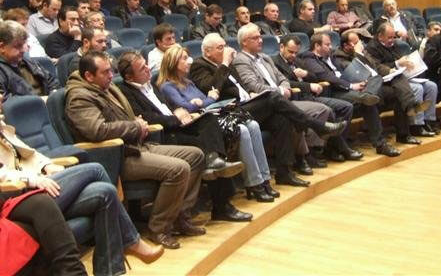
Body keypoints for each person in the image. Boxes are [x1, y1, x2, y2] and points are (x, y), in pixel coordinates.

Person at [0, 102, 164, 275]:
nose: (2, 97)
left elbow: (30, 153)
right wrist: (31, 179)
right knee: (96, 169)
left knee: (105, 193)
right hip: (20, 192)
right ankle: (131, 241)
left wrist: (46, 165)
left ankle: (109, 271)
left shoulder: (3, 127)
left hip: (39, 180)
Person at [65, 51, 206, 249]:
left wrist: (136, 123)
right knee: (178, 169)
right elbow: (97, 130)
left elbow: (121, 120)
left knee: (196, 155)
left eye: (110, 71)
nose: (111, 76)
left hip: (137, 145)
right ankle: (159, 228)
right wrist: (135, 126)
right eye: (105, 72)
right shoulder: (79, 98)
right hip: (117, 157)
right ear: (89, 76)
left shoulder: (106, 88)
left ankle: (179, 216)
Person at [117, 50, 254, 217]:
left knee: (209, 119)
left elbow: (167, 106)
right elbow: (146, 117)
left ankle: (214, 160)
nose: (147, 68)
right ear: (129, 76)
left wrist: (179, 111)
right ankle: (222, 204)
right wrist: (176, 118)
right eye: (142, 68)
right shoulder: (125, 91)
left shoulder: (151, 84)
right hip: (163, 134)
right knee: (204, 145)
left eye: (146, 64)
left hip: (178, 125)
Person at [231, 23, 348, 185]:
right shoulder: (240, 61)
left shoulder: (265, 57)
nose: (261, 40)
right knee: (275, 98)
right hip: (260, 106)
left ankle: (284, 173)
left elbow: (283, 79)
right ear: (244, 42)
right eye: (255, 38)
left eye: (260, 36)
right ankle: (316, 129)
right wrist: (281, 91)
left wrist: (284, 89)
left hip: (279, 103)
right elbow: (255, 87)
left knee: (285, 119)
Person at [158, 41, 274, 202]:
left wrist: (203, 101)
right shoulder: (167, 86)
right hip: (201, 126)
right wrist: (206, 100)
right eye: (184, 58)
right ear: (173, 63)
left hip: (212, 117)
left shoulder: (189, 83)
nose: (189, 61)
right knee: (242, 130)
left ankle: (265, 179)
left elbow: (207, 100)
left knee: (253, 125)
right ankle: (254, 184)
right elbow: (192, 105)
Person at [189, 33, 303, 189]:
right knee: (272, 97)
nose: (226, 50)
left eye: (225, 46)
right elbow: (211, 88)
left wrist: (251, 93)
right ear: (208, 52)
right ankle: (308, 122)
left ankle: (284, 173)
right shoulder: (199, 65)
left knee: (281, 119)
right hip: (231, 111)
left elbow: (241, 85)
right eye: (220, 47)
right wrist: (224, 63)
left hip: (247, 104)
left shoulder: (228, 64)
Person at [298, 32, 403, 156]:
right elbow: (326, 77)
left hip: (347, 85)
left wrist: (358, 80)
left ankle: (368, 94)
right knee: (367, 103)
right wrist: (351, 85)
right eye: (327, 44)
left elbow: (348, 69)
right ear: (317, 46)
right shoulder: (309, 59)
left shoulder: (331, 56)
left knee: (376, 78)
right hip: (333, 91)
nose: (331, 47)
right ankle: (379, 143)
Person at [273, 34, 361, 162]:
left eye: (296, 52)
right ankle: (339, 149)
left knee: (346, 107)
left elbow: (315, 77)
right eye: (290, 52)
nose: (293, 55)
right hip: (295, 99)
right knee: (328, 111)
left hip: (310, 97)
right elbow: (285, 84)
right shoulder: (275, 62)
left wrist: (305, 74)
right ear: (282, 47)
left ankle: (335, 148)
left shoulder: (297, 60)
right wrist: (308, 86)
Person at [365, 23, 438, 137]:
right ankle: (416, 125)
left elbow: (399, 60)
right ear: (380, 36)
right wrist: (397, 63)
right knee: (417, 88)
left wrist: (407, 63)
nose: (392, 40)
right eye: (389, 37)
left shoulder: (394, 45)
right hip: (387, 80)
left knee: (431, 86)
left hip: (401, 76)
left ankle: (429, 122)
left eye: (393, 37)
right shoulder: (371, 48)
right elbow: (377, 67)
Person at [0, 20, 59, 100]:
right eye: (18, 46)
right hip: (28, 106)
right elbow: (5, 101)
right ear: (2, 47)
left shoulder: (26, 60)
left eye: (24, 44)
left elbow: (52, 81)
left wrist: (54, 95)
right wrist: (40, 101)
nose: (23, 50)